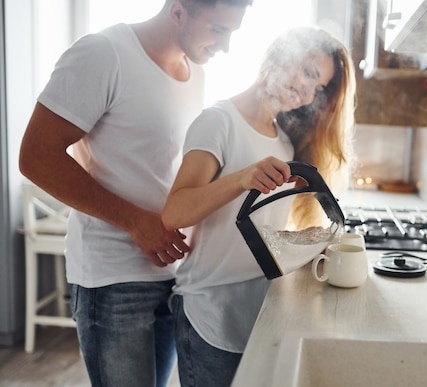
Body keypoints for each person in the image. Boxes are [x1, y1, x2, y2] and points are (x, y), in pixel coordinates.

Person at [18, 1, 253, 386]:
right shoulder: (103, 53)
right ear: (178, 12)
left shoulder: (194, 72)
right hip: (112, 279)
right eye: (218, 31)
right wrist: (134, 220)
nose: (224, 47)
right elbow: (35, 157)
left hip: (172, 275)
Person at [161, 26, 356, 386]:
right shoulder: (218, 121)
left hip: (259, 310)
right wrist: (240, 178)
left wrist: (308, 246)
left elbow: (260, 232)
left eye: (318, 87)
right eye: (310, 73)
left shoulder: (283, 141)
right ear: (281, 56)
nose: (308, 91)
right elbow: (175, 212)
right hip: (210, 311)